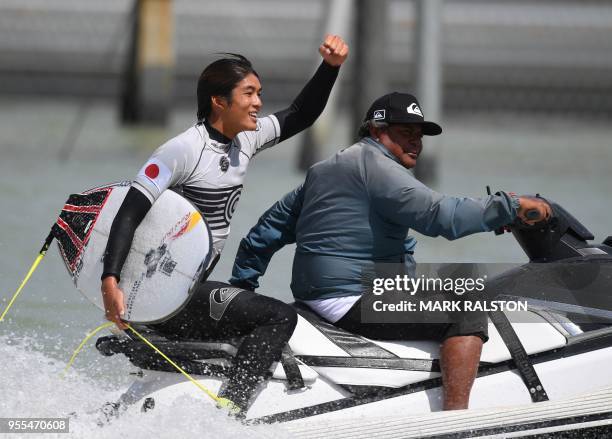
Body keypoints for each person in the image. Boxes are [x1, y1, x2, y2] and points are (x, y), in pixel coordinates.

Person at [230, 92, 552, 410]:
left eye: (418, 135)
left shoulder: (326, 169)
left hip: (322, 294)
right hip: (352, 297)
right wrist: (509, 206)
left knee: (461, 277)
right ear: (376, 130)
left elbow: (263, 234)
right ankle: (456, 421)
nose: (415, 143)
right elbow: (440, 216)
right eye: (405, 134)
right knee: (467, 307)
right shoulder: (379, 169)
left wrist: (243, 292)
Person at [100, 35, 349, 415]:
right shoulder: (182, 149)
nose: (258, 103)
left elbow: (300, 114)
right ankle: (230, 412)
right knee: (279, 316)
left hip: (190, 287)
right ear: (220, 100)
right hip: (162, 291)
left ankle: (185, 379)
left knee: (248, 314)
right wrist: (110, 280)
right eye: (249, 93)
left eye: (259, 93)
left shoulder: (245, 140)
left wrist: (330, 68)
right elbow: (129, 212)